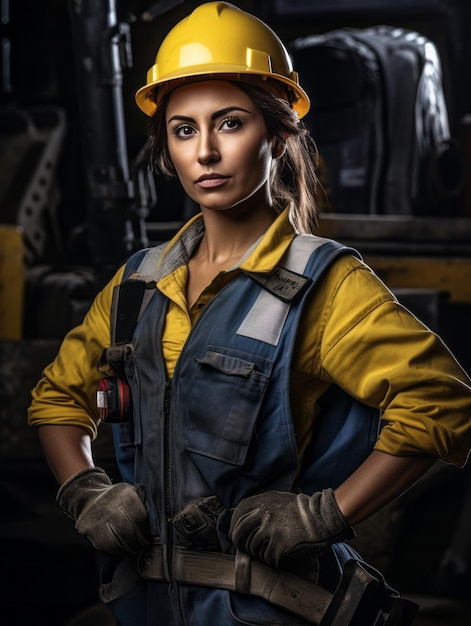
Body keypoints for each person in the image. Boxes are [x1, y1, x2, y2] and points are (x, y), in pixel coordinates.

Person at [28, 2, 471, 625]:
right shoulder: (138, 284)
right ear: (166, 150)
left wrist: (324, 514)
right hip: (147, 605)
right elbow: (57, 400)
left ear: (279, 134)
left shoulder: (325, 285)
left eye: (229, 124)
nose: (205, 151)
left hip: (264, 609)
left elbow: (441, 403)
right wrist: (85, 489)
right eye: (184, 130)